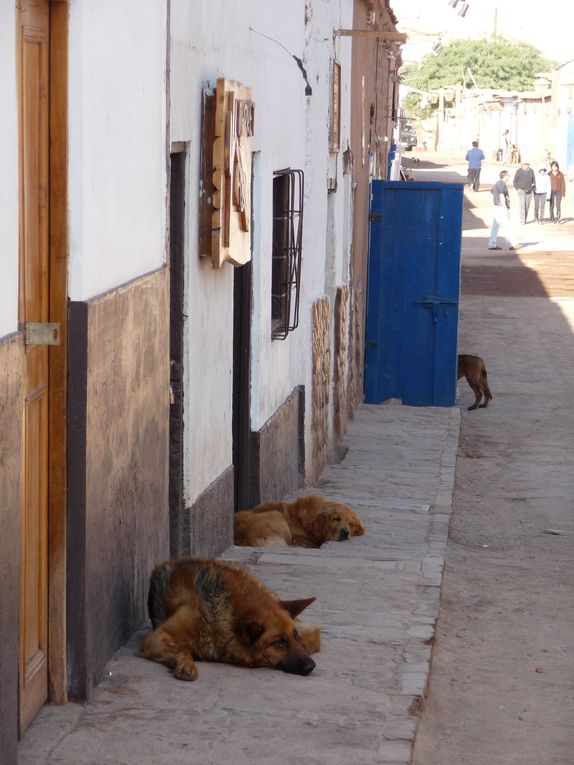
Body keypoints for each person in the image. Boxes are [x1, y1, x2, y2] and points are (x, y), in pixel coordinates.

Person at [488, 170, 516, 251]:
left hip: (497, 207)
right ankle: (511, 244)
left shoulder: (497, 183)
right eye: (508, 175)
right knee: (508, 225)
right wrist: (505, 208)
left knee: (495, 227)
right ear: (505, 176)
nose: (509, 177)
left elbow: (490, 194)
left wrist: (495, 202)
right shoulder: (502, 184)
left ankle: (492, 244)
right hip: (501, 207)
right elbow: (502, 196)